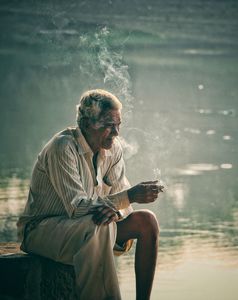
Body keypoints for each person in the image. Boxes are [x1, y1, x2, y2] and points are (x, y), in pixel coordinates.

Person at [17, 89, 164, 300]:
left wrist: (116, 210)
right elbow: (77, 207)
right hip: (41, 231)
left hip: (88, 228)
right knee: (98, 224)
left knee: (147, 222)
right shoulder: (63, 147)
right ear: (86, 124)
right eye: (108, 126)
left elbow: (121, 202)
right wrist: (127, 197)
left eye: (118, 125)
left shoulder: (114, 149)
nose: (116, 133)